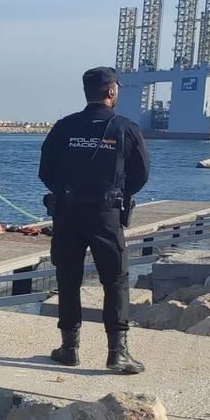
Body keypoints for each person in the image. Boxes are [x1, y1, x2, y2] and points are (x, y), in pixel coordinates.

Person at [40, 66, 149, 374]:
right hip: (106, 215)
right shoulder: (125, 128)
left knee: (68, 279)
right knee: (115, 280)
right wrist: (116, 193)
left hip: (68, 214)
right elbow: (141, 173)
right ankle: (118, 352)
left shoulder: (64, 127)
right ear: (111, 92)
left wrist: (66, 191)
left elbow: (45, 170)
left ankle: (70, 348)